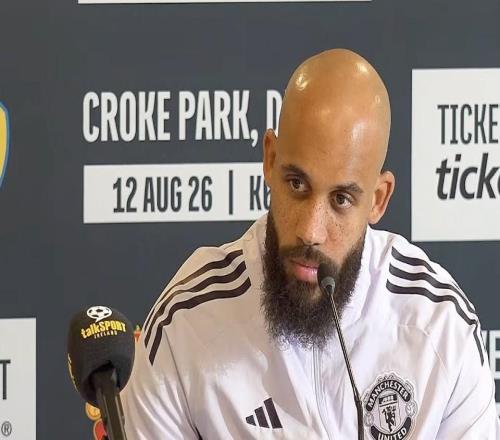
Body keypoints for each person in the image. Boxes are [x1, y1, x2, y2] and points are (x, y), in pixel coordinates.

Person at [121, 49, 499, 439]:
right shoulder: (187, 322)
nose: (310, 230)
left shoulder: (440, 327)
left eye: (341, 199)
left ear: (378, 199)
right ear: (270, 159)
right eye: (297, 184)